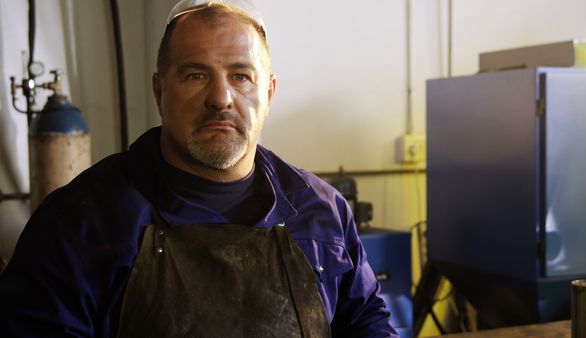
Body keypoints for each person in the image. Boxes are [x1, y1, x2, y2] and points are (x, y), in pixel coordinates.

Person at [0, 0, 397, 337]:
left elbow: (365, 321)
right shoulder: (80, 223)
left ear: (270, 92)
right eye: (196, 75)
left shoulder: (321, 211)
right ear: (160, 90)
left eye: (241, 76)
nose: (220, 98)